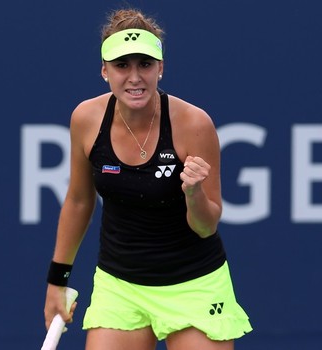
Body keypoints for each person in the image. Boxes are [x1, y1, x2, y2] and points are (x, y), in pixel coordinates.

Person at [44, 8, 252, 350]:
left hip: (195, 285)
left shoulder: (194, 124)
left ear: (161, 68)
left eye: (145, 64)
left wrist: (194, 192)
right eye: (122, 66)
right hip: (120, 286)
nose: (134, 77)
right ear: (104, 71)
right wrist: (57, 281)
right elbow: (79, 201)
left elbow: (205, 226)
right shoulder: (86, 118)